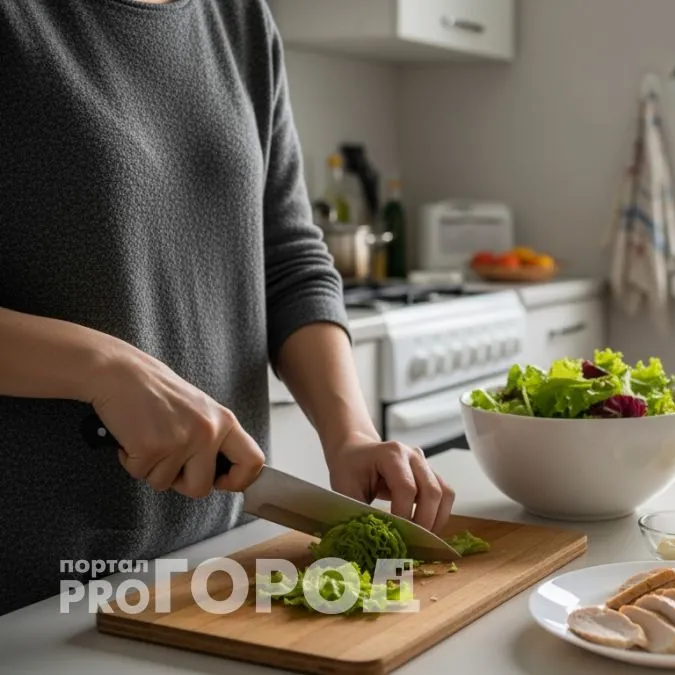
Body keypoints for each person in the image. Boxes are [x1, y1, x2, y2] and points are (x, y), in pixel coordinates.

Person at [0, 0, 454, 615]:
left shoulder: (239, 19)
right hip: (33, 592)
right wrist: (104, 367)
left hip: (211, 568)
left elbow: (289, 259)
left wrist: (350, 434)